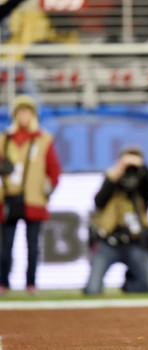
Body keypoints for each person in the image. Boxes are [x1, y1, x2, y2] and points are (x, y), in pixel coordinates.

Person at [0, 94, 61, 295]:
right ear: (15, 115)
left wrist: (48, 190)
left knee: (33, 246)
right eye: (20, 112)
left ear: (33, 114)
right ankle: (3, 283)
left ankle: (31, 283)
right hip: (8, 197)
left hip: (34, 199)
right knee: (5, 245)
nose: (24, 116)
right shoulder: (4, 139)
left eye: (27, 111)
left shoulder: (43, 139)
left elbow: (54, 169)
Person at [84, 146, 148, 295]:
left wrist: (140, 166)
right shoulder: (111, 179)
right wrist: (115, 175)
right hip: (108, 242)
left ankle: (130, 285)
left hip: (134, 243)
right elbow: (98, 202)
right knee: (92, 290)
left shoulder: (142, 183)